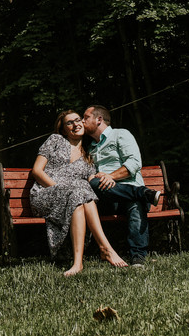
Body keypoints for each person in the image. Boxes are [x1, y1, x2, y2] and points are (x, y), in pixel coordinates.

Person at [30, 109, 129, 275]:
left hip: (75, 197)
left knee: (81, 191)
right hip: (45, 194)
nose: (75, 124)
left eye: (77, 120)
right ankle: (106, 248)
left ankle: (78, 263)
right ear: (63, 129)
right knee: (77, 189)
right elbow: (37, 171)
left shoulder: (88, 155)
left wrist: (108, 177)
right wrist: (60, 189)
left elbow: (92, 182)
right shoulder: (55, 140)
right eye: (70, 122)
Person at [82, 104, 160, 268]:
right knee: (93, 182)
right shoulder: (90, 148)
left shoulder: (120, 134)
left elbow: (134, 163)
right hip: (106, 198)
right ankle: (142, 193)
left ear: (99, 119)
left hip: (126, 191)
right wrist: (102, 180)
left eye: (85, 117)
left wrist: (111, 177)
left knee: (135, 204)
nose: (82, 121)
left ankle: (138, 257)